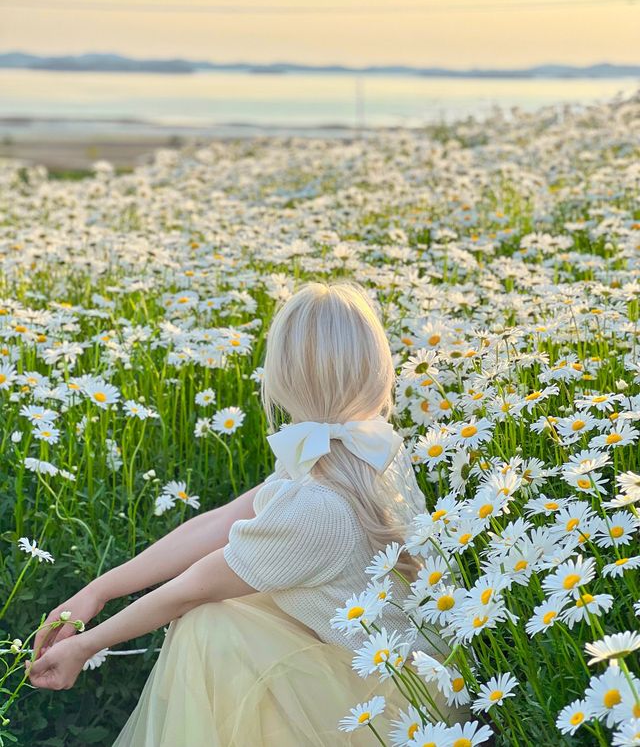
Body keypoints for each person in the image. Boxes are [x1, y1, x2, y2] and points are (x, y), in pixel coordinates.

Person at [26, 280, 467, 745]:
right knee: (234, 611)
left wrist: (86, 644)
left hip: (391, 711)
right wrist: (97, 592)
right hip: (419, 675)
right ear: (377, 367)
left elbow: (190, 589)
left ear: (282, 376)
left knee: (208, 626)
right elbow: (220, 522)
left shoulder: (317, 504)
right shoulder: (369, 446)